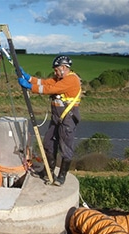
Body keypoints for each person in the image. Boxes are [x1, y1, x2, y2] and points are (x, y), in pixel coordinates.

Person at [18, 55, 81, 186]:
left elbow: (50, 89)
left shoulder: (71, 80)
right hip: (57, 118)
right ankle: (48, 171)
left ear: (64, 68)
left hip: (68, 119)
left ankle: (61, 176)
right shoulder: (60, 78)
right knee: (48, 144)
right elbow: (45, 83)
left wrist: (30, 87)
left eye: (57, 69)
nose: (55, 72)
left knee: (65, 148)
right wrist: (28, 78)